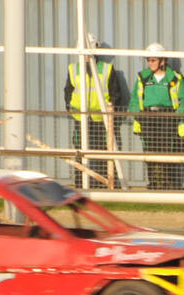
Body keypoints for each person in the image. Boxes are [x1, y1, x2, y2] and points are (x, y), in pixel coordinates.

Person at [128, 43, 184, 190]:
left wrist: (178, 115)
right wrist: (136, 113)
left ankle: (167, 185)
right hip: (148, 118)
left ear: (162, 61)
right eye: (149, 60)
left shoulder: (175, 78)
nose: (150, 63)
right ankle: (154, 183)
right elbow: (134, 98)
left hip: (167, 119)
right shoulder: (143, 78)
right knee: (150, 152)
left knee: (167, 152)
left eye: (153, 60)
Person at [63, 35, 125, 188]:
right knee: (80, 152)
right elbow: (68, 92)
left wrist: (110, 110)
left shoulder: (106, 69)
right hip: (81, 119)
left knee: (104, 152)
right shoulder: (73, 69)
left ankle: (106, 183)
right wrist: (71, 108)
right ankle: (80, 183)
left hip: (102, 120)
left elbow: (115, 94)